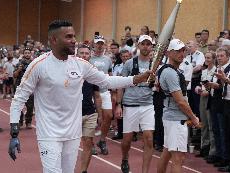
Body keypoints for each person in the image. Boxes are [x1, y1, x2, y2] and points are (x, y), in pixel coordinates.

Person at [8, 20, 152, 173]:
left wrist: (135, 79)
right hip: (49, 134)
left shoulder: (80, 64)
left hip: (73, 133)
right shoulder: (39, 65)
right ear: (54, 40)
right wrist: (14, 131)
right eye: (69, 37)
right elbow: (19, 98)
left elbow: (106, 81)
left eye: (74, 36)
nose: (74, 40)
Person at [157, 39, 200, 173]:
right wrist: (193, 118)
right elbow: (180, 101)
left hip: (172, 118)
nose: (181, 53)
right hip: (176, 119)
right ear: (169, 53)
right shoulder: (170, 73)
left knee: (166, 153)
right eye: (178, 51)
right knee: (178, 158)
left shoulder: (171, 70)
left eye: (183, 50)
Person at [116, 35, 155, 173]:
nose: (145, 46)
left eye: (148, 44)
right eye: (143, 44)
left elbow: (159, 86)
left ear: (152, 47)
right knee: (126, 141)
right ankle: (125, 158)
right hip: (130, 105)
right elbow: (121, 85)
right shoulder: (129, 64)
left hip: (147, 105)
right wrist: (118, 105)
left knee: (149, 139)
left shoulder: (155, 64)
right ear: (138, 46)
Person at [77, 44, 102, 173]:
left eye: (86, 53)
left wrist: (100, 115)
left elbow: (97, 96)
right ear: (77, 55)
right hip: (73, 115)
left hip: (90, 113)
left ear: (90, 55)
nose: (84, 56)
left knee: (87, 142)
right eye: (81, 53)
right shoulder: (69, 71)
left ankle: (83, 170)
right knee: (71, 144)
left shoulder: (93, 73)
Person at [89, 35, 113, 155]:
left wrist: (113, 91)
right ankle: (91, 143)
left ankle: (102, 140)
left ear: (104, 45)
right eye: (97, 43)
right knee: (93, 119)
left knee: (108, 116)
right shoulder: (89, 58)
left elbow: (110, 74)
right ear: (93, 45)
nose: (99, 46)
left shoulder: (108, 59)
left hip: (104, 91)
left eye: (101, 44)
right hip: (92, 93)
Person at [13, 47, 34, 129]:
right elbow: (14, 75)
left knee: (30, 106)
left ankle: (28, 122)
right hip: (20, 87)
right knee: (19, 106)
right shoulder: (19, 63)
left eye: (28, 53)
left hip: (30, 87)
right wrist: (19, 69)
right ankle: (20, 122)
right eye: (26, 53)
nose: (27, 54)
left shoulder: (33, 63)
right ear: (23, 54)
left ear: (30, 54)